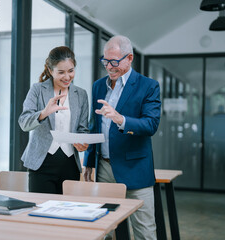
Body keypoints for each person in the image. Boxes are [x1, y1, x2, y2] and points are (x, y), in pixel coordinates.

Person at [83, 35, 161, 239]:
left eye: (115, 61)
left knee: (144, 231)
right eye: (105, 61)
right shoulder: (98, 85)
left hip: (135, 169)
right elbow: (95, 125)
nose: (109, 66)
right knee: (103, 227)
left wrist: (120, 119)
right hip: (104, 168)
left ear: (130, 58)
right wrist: (89, 162)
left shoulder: (148, 86)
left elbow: (151, 125)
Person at [18, 46, 89, 194]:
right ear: (51, 71)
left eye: (71, 71)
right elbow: (24, 122)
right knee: (41, 213)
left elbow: (83, 128)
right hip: (41, 164)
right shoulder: (37, 90)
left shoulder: (81, 95)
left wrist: (82, 143)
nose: (67, 77)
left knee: (67, 213)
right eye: (61, 72)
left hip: (70, 165)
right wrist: (44, 113)